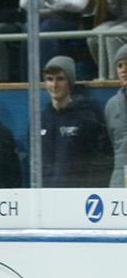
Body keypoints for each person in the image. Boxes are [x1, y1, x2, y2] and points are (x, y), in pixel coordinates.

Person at [38, 55, 111, 186]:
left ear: (70, 82)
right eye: (49, 79)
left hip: (78, 193)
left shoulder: (87, 116)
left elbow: (100, 161)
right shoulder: (41, 119)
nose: (54, 85)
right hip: (46, 193)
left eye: (60, 79)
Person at [106, 45, 127, 185]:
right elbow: (112, 141)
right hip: (120, 176)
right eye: (120, 65)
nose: (123, 70)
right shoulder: (112, 105)